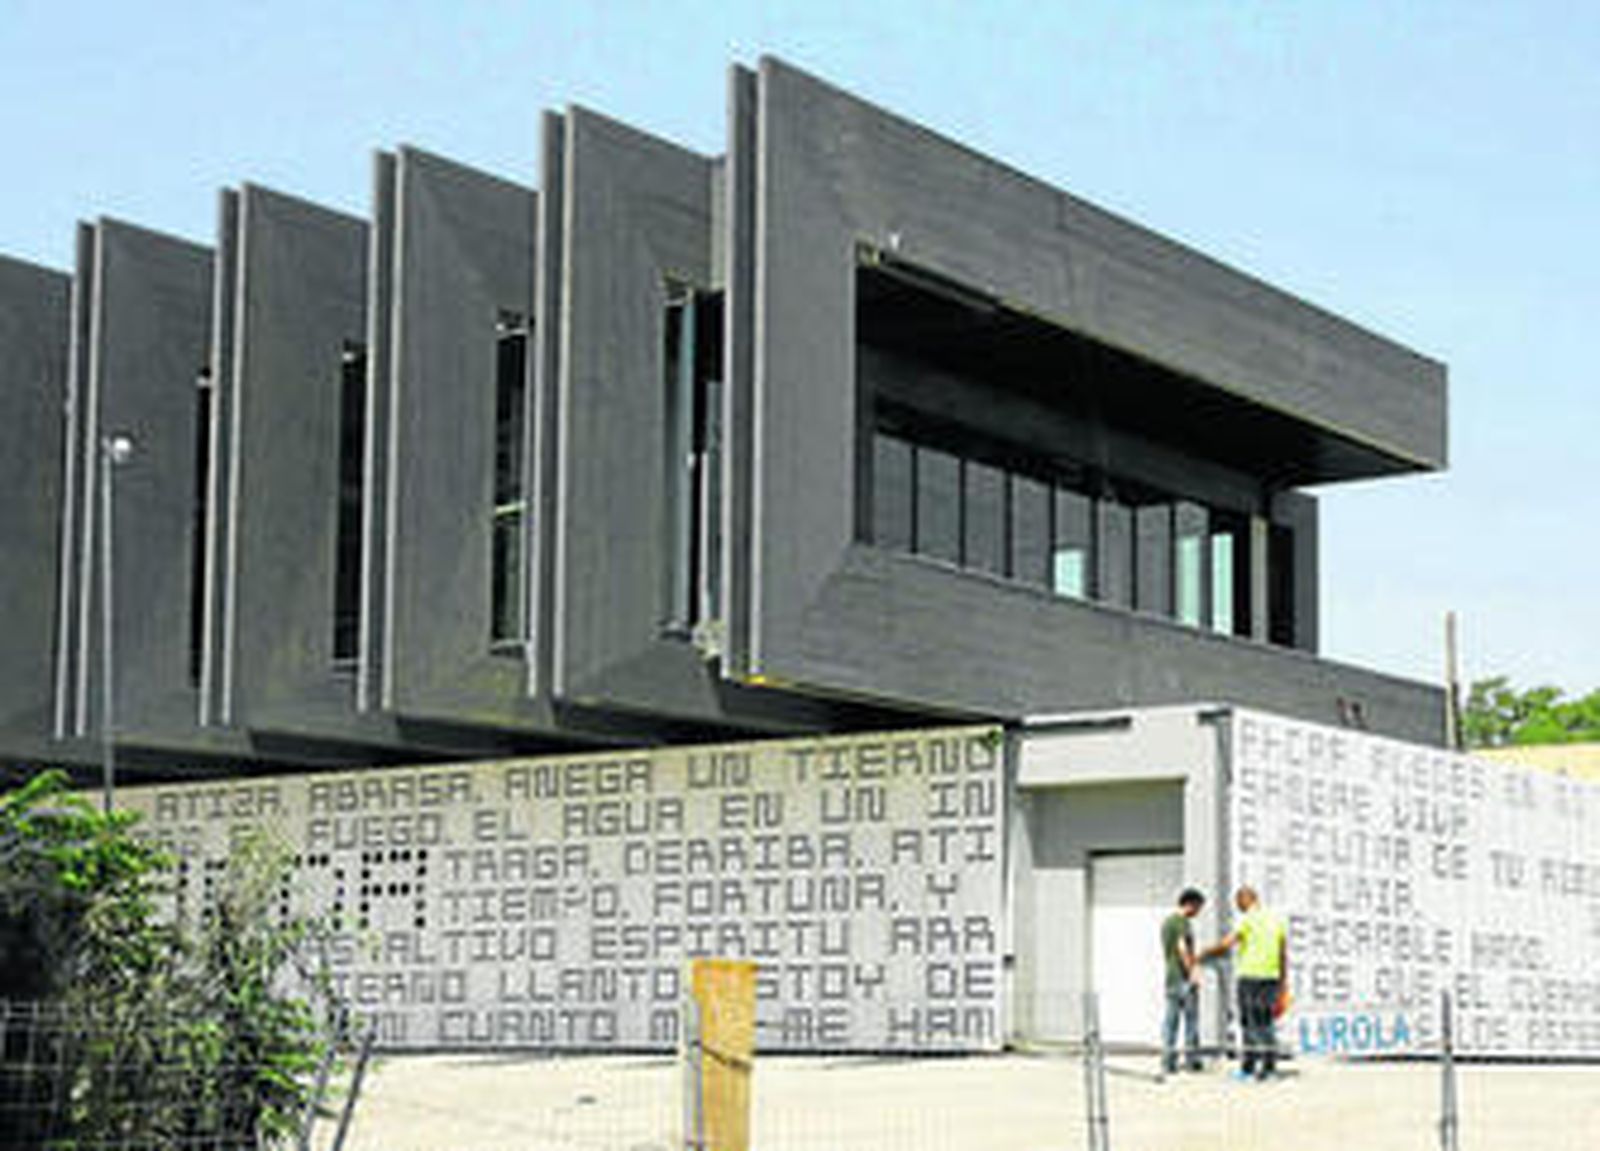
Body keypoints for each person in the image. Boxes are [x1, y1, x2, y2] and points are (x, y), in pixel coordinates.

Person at [1203, 885, 1288, 1081]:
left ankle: (1248, 1068)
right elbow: (1283, 953)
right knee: (1266, 1023)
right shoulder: (1276, 920)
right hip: (1271, 977)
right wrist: (1283, 983)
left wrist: (1205, 953)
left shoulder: (1248, 919)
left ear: (1246, 899)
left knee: (1249, 1023)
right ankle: (1269, 1068)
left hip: (1250, 976)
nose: (1238, 907)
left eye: (1238, 903)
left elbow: (1228, 943)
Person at [1160, 887, 1206, 1075]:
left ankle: (1168, 1061)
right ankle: (1191, 1060)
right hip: (1183, 979)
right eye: (1198, 907)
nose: (1198, 912)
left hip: (1170, 978)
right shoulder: (1182, 923)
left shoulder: (1167, 922)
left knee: (1170, 1021)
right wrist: (1192, 972)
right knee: (1191, 1021)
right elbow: (1181, 948)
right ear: (1190, 904)